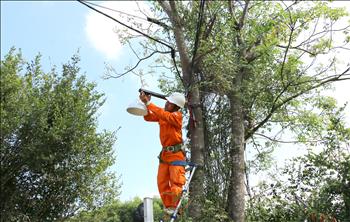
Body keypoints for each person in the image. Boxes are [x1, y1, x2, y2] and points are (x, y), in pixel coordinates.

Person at [139, 90, 186, 215]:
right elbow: (148, 117)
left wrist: (149, 103)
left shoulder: (176, 116)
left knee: (176, 182)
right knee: (162, 181)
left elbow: (162, 114)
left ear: (176, 106)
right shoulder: (164, 115)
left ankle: (176, 207)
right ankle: (168, 206)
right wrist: (144, 103)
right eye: (167, 102)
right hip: (165, 155)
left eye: (169, 103)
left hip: (176, 154)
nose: (166, 104)